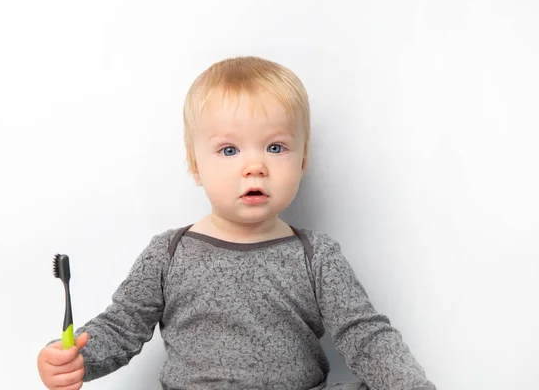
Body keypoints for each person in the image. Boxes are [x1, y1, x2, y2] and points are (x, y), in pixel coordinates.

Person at [36, 56, 436, 390]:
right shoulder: (169, 253)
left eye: (275, 147)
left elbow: (365, 335)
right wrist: (75, 357)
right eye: (229, 150)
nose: (255, 166)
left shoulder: (317, 255)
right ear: (196, 166)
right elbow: (121, 325)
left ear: (302, 160)